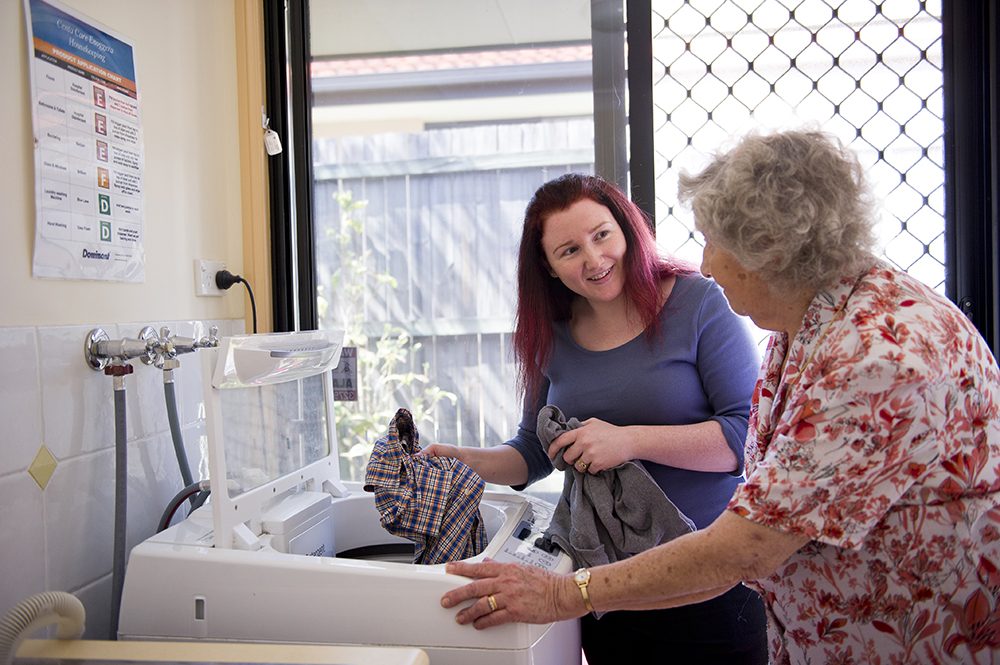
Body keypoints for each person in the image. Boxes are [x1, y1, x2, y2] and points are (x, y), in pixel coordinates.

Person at [438, 129, 1000, 664]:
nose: (703, 264)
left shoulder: (877, 358)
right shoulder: (807, 323)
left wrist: (564, 594)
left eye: (713, 243)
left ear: (770, 249)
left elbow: (746, 545)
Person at [418, 172, 768, 663]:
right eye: (569, 250)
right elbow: (533, 453)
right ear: (549, 267)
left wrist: (630, 441)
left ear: (626, 229)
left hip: (708, 579)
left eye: (601, 235)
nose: (594, 259)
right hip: (602, 588)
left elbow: (746, 437)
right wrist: (457, 460)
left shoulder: (700, 302)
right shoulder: (551, 334)